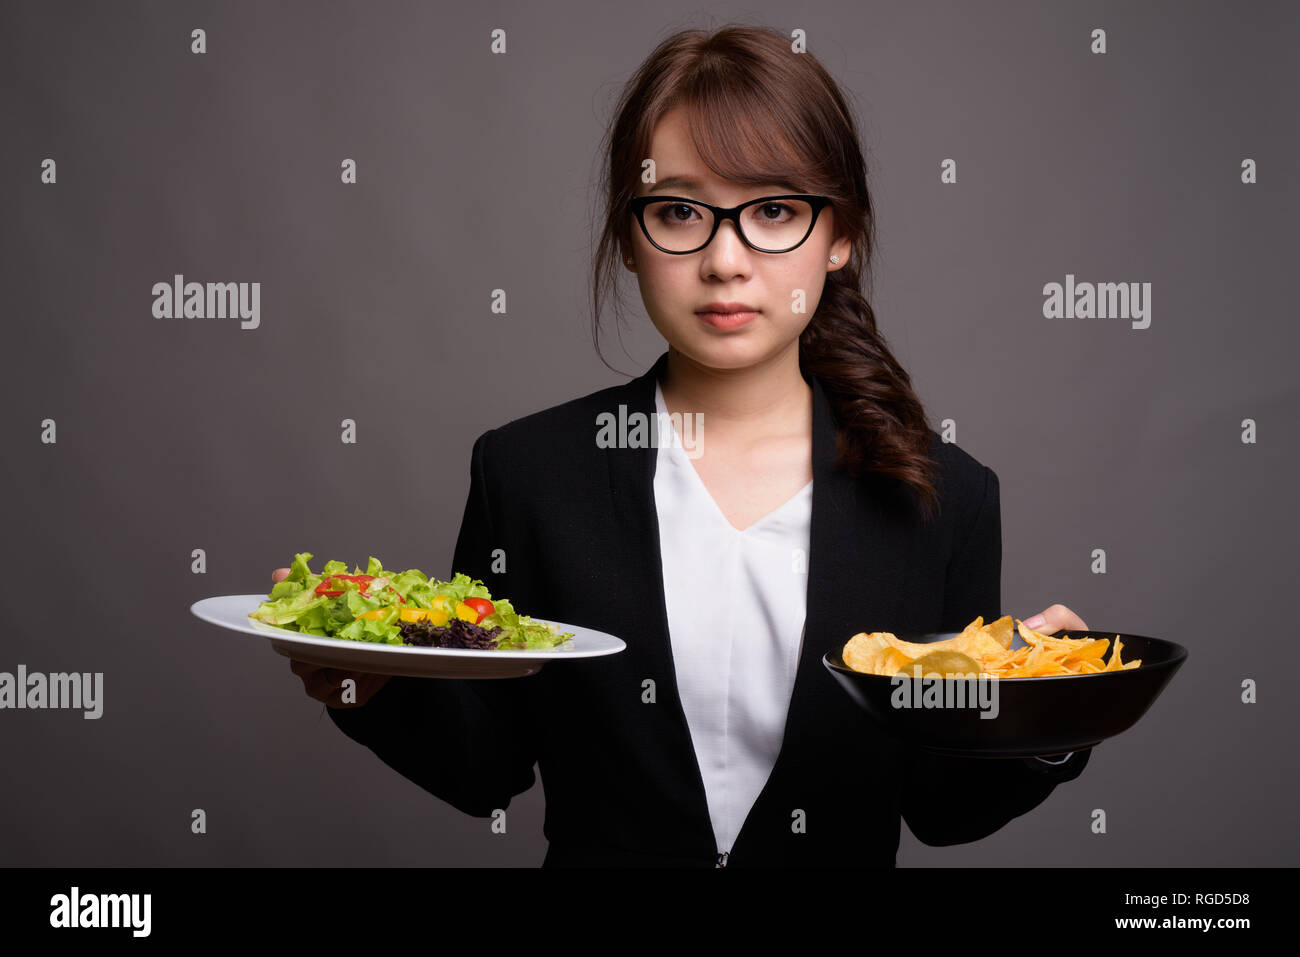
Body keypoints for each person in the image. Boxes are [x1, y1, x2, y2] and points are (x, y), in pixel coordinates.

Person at [282, 24, 1092, 867]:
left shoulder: (943, 496)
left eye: (775, 210)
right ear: (630, 237)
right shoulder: (529, 474)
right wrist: (358, 682)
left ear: (840, 235)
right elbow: (486, 762)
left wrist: (1049, 723)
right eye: (678, 211)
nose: (725, 258)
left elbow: (943, 803)